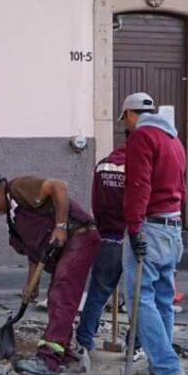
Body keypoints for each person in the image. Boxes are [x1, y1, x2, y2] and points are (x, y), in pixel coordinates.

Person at [0, 172, 101, 375]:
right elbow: (34, 252)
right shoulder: (14, 218)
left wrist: (60, 228)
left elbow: (59, 185)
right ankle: (63, 352)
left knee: (62, 295)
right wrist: (31, 283)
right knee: (56, 297)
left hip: (80, 237)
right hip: (67, 247)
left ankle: (47, 359)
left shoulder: (19, 188)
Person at [122, 92, 187, 375]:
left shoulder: (142, 137)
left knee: (139, 298)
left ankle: (166, 366)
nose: (127, 127)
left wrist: (134, 227)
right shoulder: (174, 140)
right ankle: (160, 362)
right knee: (163, 298)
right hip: (172, 226)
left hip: (150, 225)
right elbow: (182, 187)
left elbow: (139, 184)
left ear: (131, 115)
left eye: (126, 121)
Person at [73, 141, 127, 358]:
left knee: (97, 291)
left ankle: (84, 340)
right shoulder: (137, 165)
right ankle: (139, 345)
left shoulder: (102, 166)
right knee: (139, 297)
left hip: (105, 235)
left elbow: (95, 200)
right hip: (128, 237)